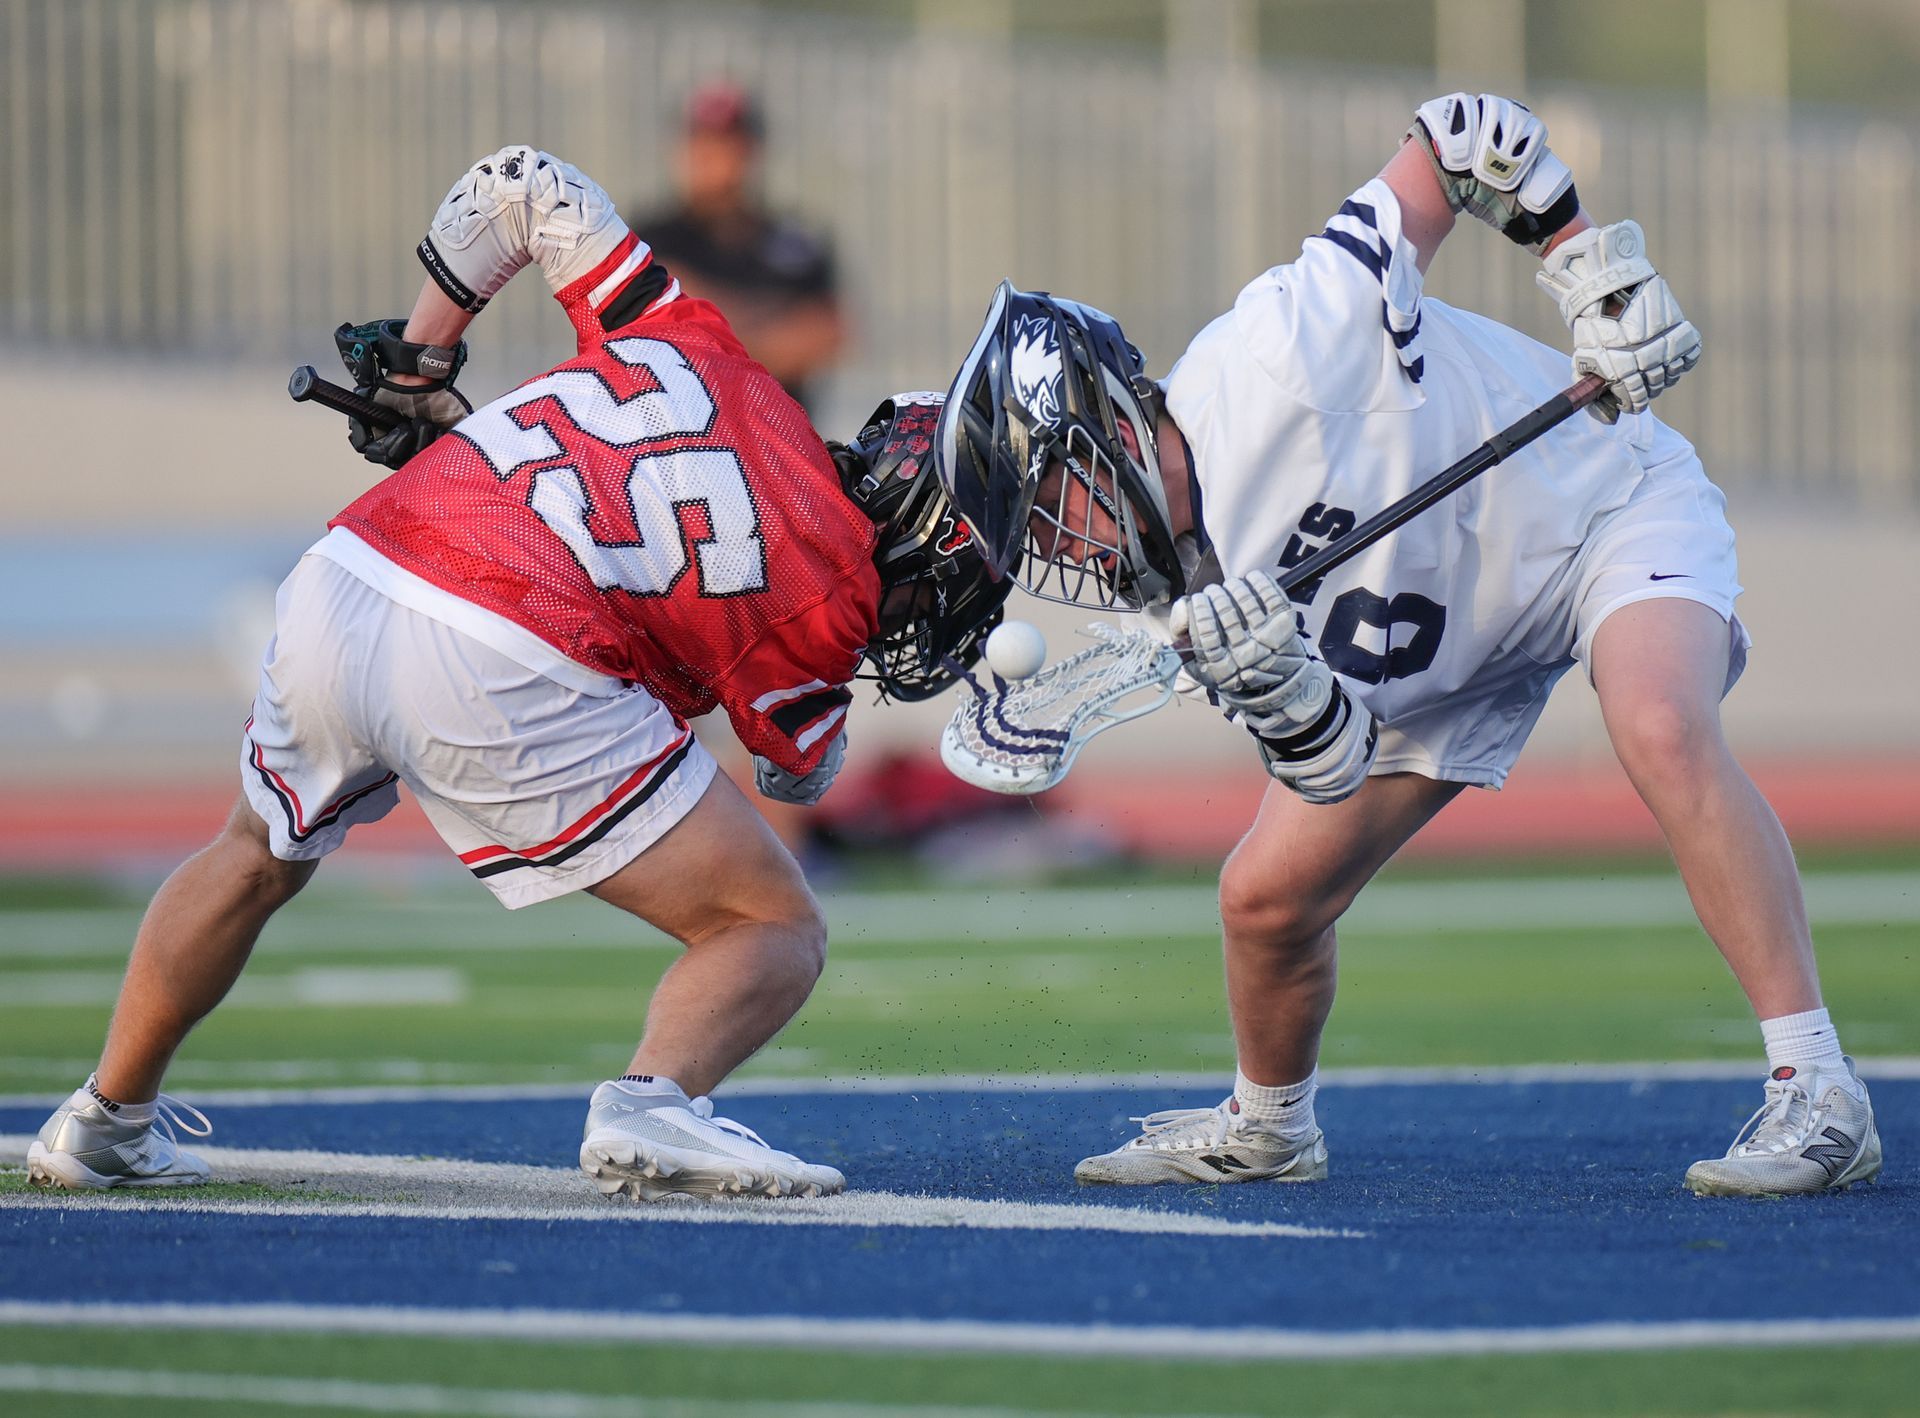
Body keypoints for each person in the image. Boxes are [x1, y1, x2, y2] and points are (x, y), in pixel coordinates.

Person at [935, 94, 1880, 1198]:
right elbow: (1331, 757)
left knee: (1659, 720)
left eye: (1053, 500)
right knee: (1265, 898)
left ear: (1103, 427)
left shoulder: (1283, 348)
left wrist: (1593, 278)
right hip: (1434, 653)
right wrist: (1294, 697)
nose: (1058, 542)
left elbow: (1464, 137)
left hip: (1599, 510)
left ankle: (1820, 1089)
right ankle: (1268, 1124)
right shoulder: (1173, 592)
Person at [28, 145, 1006, 1203]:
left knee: (253, 852)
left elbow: (522, 183)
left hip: (350, 572)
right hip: (500, 646)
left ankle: (105, 1115)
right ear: (914, 527)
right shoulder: (837, 578)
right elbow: (798, 774)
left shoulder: (697, 340)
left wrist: (418, 359)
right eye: (951, 575)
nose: (938, 607)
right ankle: (654, 1101)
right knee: (772, 923)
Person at [632, 81, 844, 411]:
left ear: (751, 150)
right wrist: (774, 325)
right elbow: (657, 332)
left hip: (777, 432)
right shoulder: (652, 236)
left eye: (725, 145)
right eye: (701, 142)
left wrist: (715, 326)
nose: (712, 158)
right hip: (682, 430)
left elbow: (827, 335)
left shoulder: (795, 241)